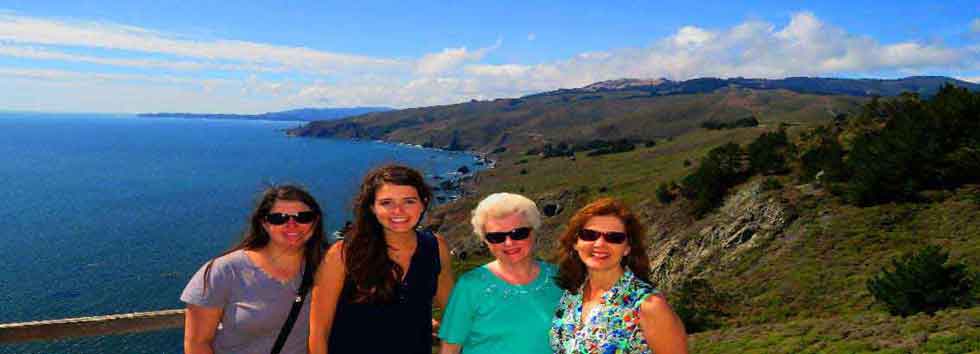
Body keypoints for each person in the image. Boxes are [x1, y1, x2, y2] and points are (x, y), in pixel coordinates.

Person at [309, 165, 455, 354]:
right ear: (372, 208)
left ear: (423, 203)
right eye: (386, 203)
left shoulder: (435, 247)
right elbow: (319, 331)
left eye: (409, 201)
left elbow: (454, 315)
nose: (398, 211)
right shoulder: (343, 255)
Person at [182, 185, 326, 354]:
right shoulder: (225, 271)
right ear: (264, 223)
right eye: (279, 218)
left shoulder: (327, 269)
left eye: (303, 217)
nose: (292, 224)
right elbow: (197, 344)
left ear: (315, 222)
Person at [551, 198, 688, 354]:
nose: (600, 244)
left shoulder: (648, 305)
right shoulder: (571, 296)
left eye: (614, 238)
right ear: (576, 242)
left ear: (627, 248)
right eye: (589, 235)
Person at [438, 193, 563, 354]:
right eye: (496, 237)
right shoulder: (470, 286)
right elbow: (449, 349)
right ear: (485, 241)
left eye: (519, 233)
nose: (509, 243)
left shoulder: (560, 278)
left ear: (534, 231)